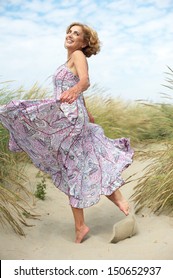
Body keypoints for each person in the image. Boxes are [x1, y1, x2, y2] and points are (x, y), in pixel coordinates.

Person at [0, 22, 134, 243]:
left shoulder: (79, 56)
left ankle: (83, 224)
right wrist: (87, 111)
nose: (71, 35)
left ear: (83, 42)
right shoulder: (68, 60)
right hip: (72, 115)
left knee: (73, 167)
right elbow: (77, 90)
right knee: (83, 163)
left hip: (69, 120)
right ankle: (116, 203)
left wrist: (74, 90)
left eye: (77, 34)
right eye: (69, 32)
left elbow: (84, 81)